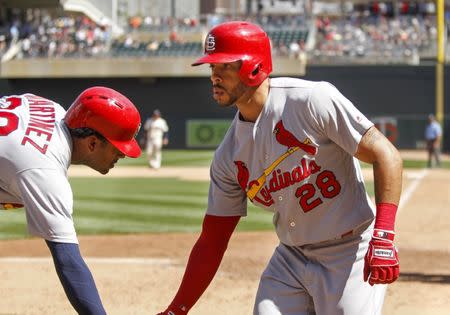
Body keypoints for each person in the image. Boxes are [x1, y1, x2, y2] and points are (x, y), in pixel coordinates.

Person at [157, 21, 403, 315]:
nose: (214, 76)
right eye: (211, 68)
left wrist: (384, 236)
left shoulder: (311, 101)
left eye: (224, 67)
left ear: (254, 67)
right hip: (291, 257)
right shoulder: (229, 155)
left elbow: (386, 154)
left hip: (350, 250)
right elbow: (212, 241)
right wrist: (177, 309)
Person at [0, 86, 141, 314]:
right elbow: (69, 263)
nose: (123, 154)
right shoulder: (43, 170)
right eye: (118, 147)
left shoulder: (54, 110)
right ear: (92, 143)